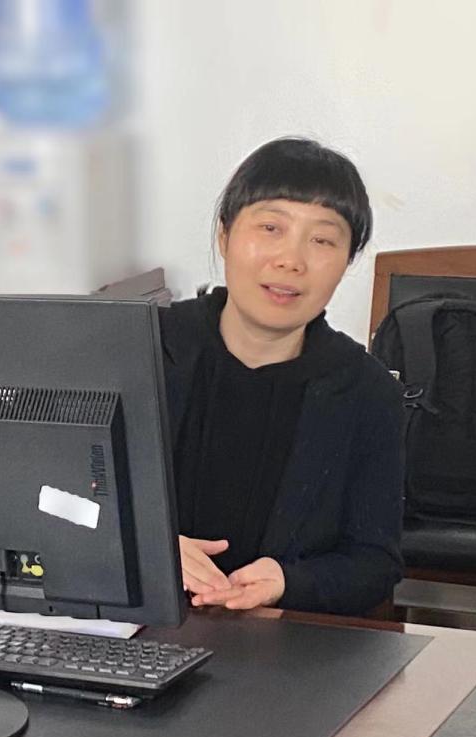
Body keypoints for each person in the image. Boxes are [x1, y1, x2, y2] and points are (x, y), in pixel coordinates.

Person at [160, 137, 404, 617]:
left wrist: (289, 581)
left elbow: (375, 562)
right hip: (130, 632)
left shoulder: (368, 391)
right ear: (225, 235)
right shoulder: (144, 346)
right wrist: (146, 549)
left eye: (322, 240)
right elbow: (52, 502)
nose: (291, 260)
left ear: (348, 261)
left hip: (281, 640)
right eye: (271, 227)